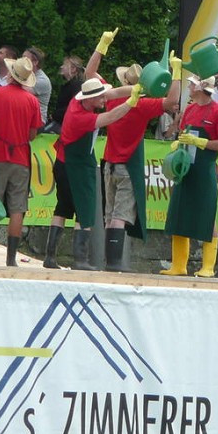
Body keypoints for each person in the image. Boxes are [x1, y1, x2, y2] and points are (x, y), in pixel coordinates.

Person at [87, 29, 181, 271]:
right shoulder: (142, 104)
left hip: (108, 164)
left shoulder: (111, 96)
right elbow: (172, 102)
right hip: (128, 165)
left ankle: (110, 262)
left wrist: (102, 44)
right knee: (120, 215)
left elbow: (89, 75)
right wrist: (176, 73)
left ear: (123, 80)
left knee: (110, 216)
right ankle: (115, 264)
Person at [47, 77, 140, 270]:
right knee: (86, 211)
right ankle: (80, 260)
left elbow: (112, 93)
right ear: (89, 100)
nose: (104, 101)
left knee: (62, 208)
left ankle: (50, 257)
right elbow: (110, 118)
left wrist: (137, 89)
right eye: (100, 98)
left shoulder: (78, 101)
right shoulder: (82, 118)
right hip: (78, 167)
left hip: (62, 163)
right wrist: (130, 104)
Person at [161, 75, 218, 278]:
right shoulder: (190, 109)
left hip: (205, 168)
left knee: (207, 215)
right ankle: (179, 265)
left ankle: (208, 266)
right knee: (178, 213)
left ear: (201, 88)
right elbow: (183, 134)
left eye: (192, 84)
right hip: (185, 168)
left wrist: (201, 143)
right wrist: (179, 143)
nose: (189, 87)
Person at [0, 57, 43, 266]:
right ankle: (11, 259)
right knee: (17, 209)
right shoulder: (32, 101)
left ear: (10, 73)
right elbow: (33, 134)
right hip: (21, 159)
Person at [49, 54, 84, 130]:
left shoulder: (76, 85)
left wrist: (55, 115)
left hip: (67, 125)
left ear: (73, 69)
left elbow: (75, 106)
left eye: (64, 65)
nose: (61, 67)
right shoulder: (71, 85)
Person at [23, 46, 52, 123]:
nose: (21, 61)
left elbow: (21, 92)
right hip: (25, 117)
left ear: (35, 62)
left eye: (25, 58)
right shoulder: (26, 75)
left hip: (37, 121)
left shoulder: (42, 80)